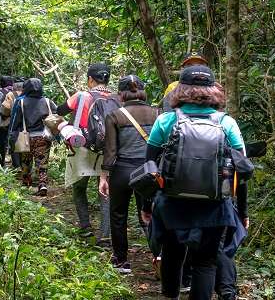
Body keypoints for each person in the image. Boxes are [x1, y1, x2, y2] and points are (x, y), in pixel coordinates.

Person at [143, 65, 246, 300]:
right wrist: (243, 209)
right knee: (206, 262)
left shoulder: (166, 121)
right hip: (215, 205)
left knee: (172, 254)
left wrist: (147, 206)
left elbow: (149, 165)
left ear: (180, 89)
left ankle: (170, 296)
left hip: (171, 202)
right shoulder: (227, 123)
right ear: (214, 90)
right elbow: (241, 169)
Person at [98, 75, 158, 273]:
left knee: (118, 216)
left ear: (121, 93)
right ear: (142, 90)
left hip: (122, 172)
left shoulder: (115, 115)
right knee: (150, 215)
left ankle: (121, 261)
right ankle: (159, 256)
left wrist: (104, 177)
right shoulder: (158, 113)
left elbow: (110, 151)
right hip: (148, 172)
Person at [56, 63, 113, 239]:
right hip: (108, 150)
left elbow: (60, 110)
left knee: (79, 187)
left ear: (90, 79)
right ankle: (105, 235)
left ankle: (85, 226)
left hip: (82, 146)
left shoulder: (82, 96)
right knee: (105, 191)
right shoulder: (116, 98)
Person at [9, 78, 57, 196]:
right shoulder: (47, 101)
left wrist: (12, 135)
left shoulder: (20, 102)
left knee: (25, 160)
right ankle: (42, 184)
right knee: (42, 162)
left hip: (26, 137)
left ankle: (26, 182)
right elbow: (56, 116)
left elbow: (15, 120)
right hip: (43, 136)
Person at [0, 79, 25, 170]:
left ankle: (17, 165)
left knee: (14, 143)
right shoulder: (28, 95)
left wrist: (4, 116)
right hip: (28, 124)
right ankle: (24, 165)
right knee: (25, 143)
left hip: (15, 122)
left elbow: (5, 109)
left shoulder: (11, 94)